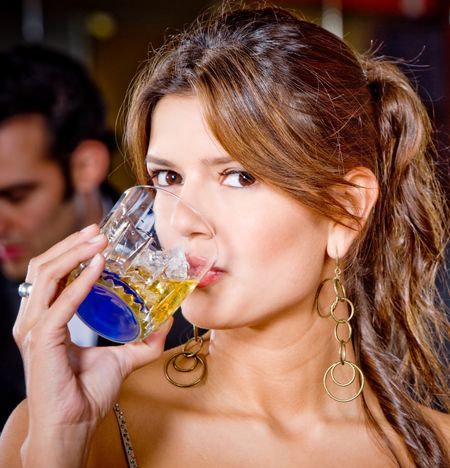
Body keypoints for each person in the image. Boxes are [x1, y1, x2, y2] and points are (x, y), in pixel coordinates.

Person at [0, 5, 448, 467]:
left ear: (347, 211)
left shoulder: (435, 447)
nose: (182, 221)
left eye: (238, 177)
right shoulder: (62, 431)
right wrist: (60, 444)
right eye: (168, 178)